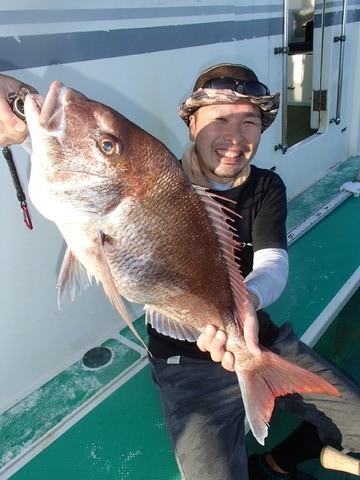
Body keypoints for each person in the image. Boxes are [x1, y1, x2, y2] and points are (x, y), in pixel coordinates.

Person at [1, 64, 360, 480]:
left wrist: (248, 310)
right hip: (182, 360)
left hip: (252, 332)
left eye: (250, 123)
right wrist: (16, 98)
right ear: (191, 125)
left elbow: (273, 264)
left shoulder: (265, 187)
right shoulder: (154, 177)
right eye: (219, 120)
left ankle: (276, 463)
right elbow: (64, 156)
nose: (235, 138)